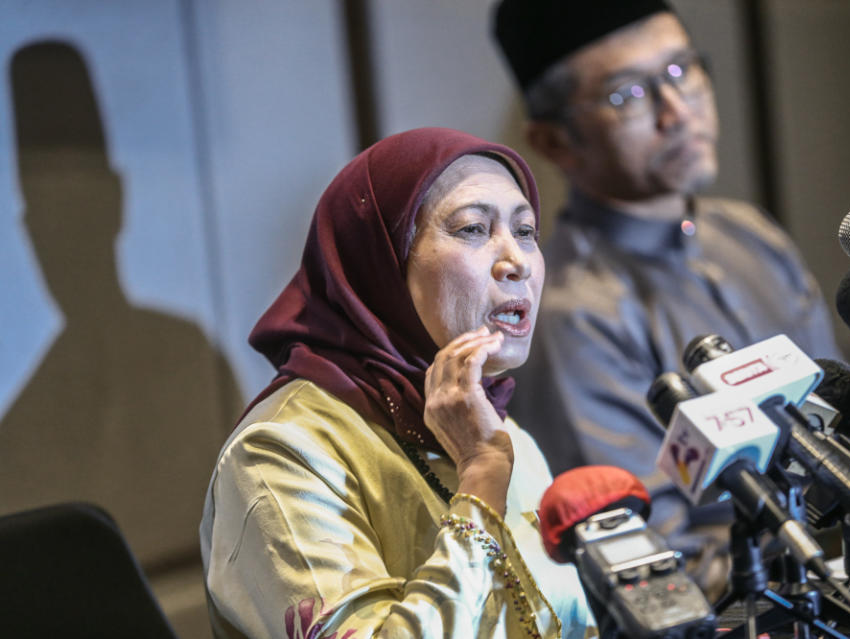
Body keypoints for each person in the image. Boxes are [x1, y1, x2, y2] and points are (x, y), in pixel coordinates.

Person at [199, 127, 596, 639]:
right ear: (380, 262)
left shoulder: (495, 428)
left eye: (525, 232)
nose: (516, 261)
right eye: (474, 229)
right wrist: (479, 481)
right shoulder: (280, 452)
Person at [492, 0, 839, 582]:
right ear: (554, 143)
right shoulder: (570, 315)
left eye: (682, 70)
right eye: (628, 94)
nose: (677, 111)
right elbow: (657, 562)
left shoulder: (750, 234)